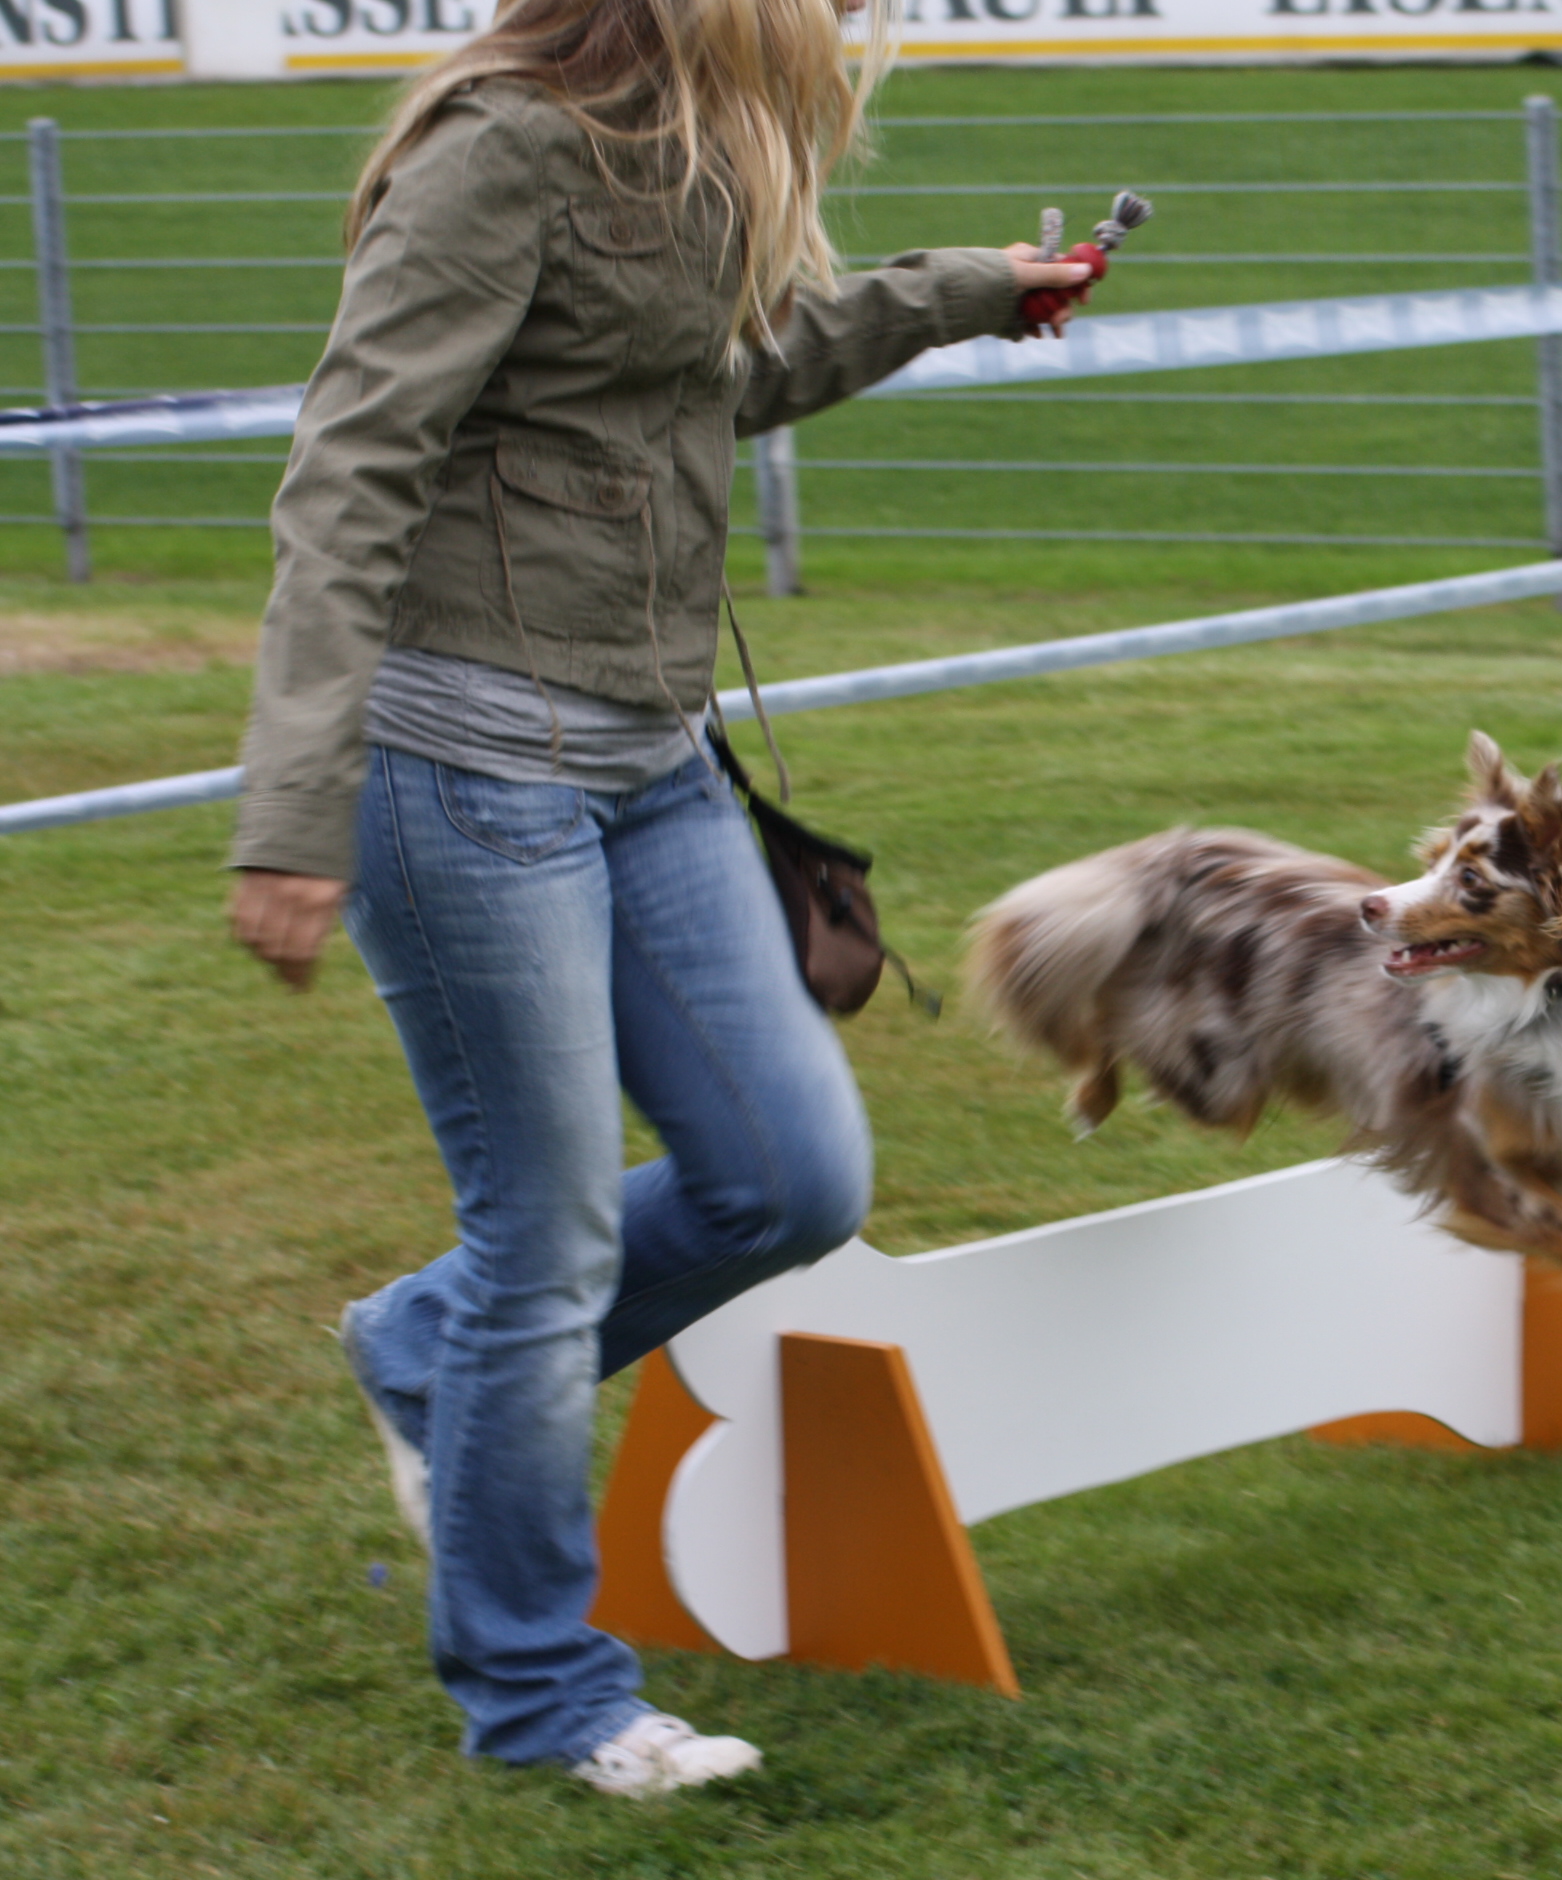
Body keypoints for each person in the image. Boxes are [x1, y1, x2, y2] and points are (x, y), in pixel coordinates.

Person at [224, 0, 1090, 1797]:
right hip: (467, 771)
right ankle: (544, 1695)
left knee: (790, 1179)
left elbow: (724, 371)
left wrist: (971, 292)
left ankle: (422, 1349)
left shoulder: (693, 160)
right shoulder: (499, 152)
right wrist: (295, 805)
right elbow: (350, 469)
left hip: (655, 759)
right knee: (544, 1251)